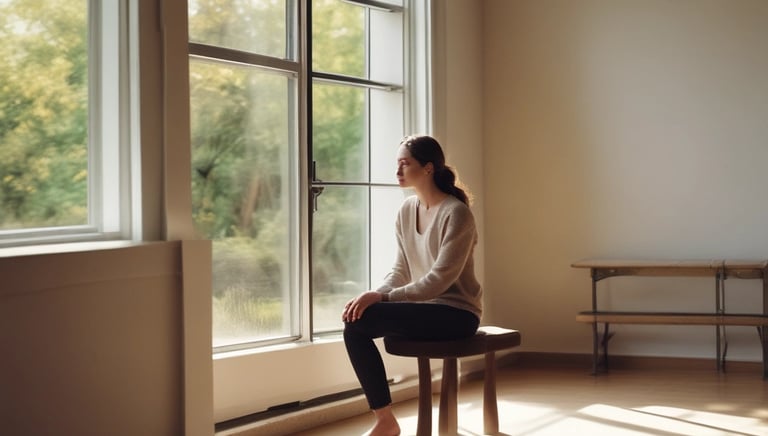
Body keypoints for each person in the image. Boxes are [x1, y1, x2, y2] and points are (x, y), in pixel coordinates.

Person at [342, 134, 483, 436]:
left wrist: (382, 298)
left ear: (428, 168)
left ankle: (385, 423)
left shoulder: (457, 213)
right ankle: (385, 420)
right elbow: (400, 270)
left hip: (458, 314)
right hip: (425, 309)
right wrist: (373, 294)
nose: (398, 171)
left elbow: (438, 281)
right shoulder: (406, 210)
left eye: (405, 164)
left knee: (365, 317)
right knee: (355, 321)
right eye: (397, 163)